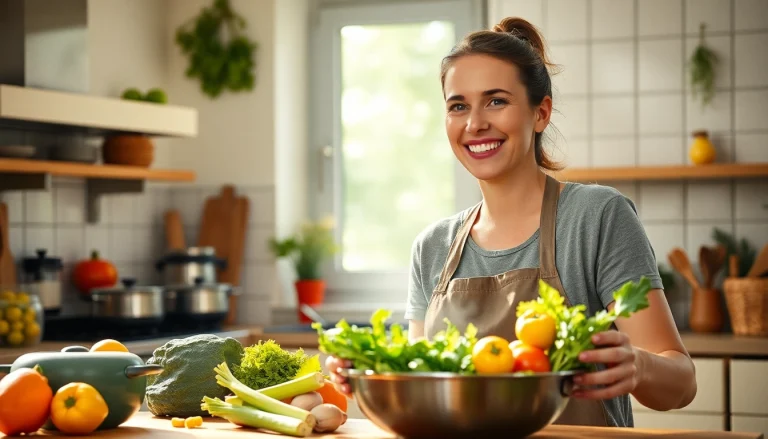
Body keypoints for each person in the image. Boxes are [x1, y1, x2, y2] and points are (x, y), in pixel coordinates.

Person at [326, 16, 696, 428]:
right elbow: (422, 390)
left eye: (496, 101)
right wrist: (371, 370)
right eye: (458, 106)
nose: (475, 124)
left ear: (541, 113)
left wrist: (639, 367)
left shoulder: (596, 216)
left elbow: (681, 384)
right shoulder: (432, 247)